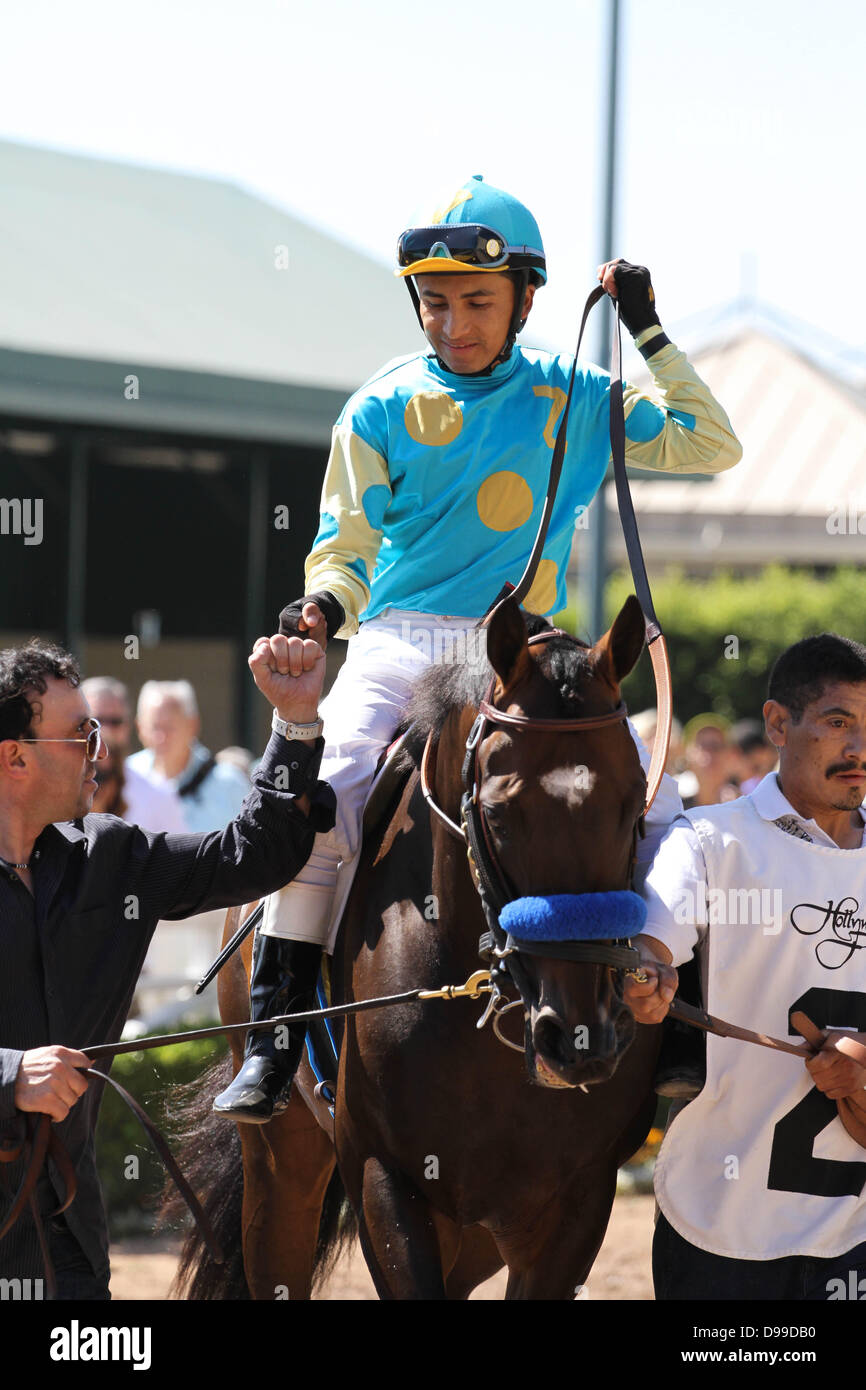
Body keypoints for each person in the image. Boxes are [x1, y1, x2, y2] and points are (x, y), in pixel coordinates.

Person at [215, 173, 742, 1122]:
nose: (451, 323)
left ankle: (668, 1025)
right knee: (320, 796)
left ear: (526, 300)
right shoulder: (378, 407)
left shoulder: (577, 396)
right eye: (434, 302)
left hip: (522, 657)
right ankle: (275, 1032)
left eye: (475, 303)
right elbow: (344, 545)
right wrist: (320, 614)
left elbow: (711, 445)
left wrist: (650, 330)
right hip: (399, 640)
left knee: (651, 804)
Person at [0, 630, 334, 1299]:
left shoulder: (114, 858)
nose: (104, 750)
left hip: (67, 1242)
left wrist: (295, 722)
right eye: (79, 736)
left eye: (98, 729)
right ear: (15, 759)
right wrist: (11, 1075)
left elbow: (252, 856)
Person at [625, 633, 866, 1300]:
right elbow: (653, 946)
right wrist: (646, 977)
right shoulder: (706, 841)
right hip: (716, 1225)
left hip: (856, 1233)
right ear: (778, 724)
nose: (860, 749)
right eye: (839, 723)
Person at [128, 680, 250, 832]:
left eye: (169, 728)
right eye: (154, 727)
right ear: (139, 727)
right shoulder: (126, 777)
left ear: (193, 725)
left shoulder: (230, 784)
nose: (161, 737)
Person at [80, 676, 187, 832]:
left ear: (129, 726)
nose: (105, 731)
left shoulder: (158, 795)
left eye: (115, 722)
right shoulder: (59, 790)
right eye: (97, 722)